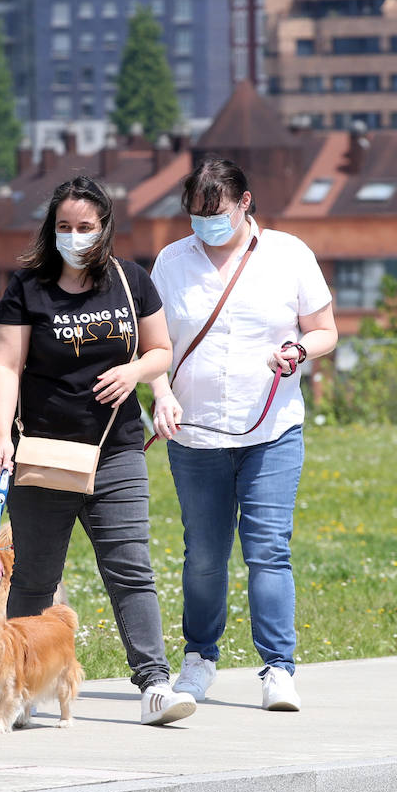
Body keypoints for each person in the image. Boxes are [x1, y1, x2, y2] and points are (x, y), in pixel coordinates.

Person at [0, 176, 197, 727]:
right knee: (34, 575)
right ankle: (19, 687)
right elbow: (5, 364)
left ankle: (155, 684)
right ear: (50, 229)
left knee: (130, 569)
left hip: (116, 448)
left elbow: (160, 351)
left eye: (85, 227)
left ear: (104, 228)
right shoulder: (28, 287)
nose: (74, 236)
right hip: (44, 450)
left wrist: (134, 372)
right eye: (64, 227)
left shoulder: (131, 283)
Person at [149, 158, 337, 712]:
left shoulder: (289, 254)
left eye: (217, 213)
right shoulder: (171, 261)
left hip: (271, 429)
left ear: (245, 203)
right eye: (196, 214)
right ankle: (199, 659)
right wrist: (161, 395)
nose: (205, 224)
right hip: (196, 435)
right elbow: (152, 345)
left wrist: (299, 350)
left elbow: (324, 329)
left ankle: (278, 669)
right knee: (204, 555)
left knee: (268, 550)